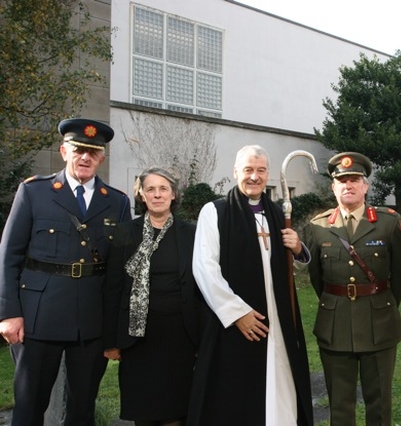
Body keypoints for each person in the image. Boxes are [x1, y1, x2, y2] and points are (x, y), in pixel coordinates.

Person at [0, 118, 131, 425]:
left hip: (91, 319)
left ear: (101, 158)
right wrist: (8, 313)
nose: (85, 157)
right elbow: (9, 254)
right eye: (78, 150)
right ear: (63, 151)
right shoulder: (34, 192)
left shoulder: (117, 203)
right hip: (38, 316)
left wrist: (116, 327)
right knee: (30, 404)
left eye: (93, 152)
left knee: (83, 406)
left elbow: (121, 266)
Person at [187, 145, 313, 426]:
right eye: (248, 170)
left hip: (277, 321)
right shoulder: (215, 212)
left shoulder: (278, 214)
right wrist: (237, 313)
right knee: (236, 392)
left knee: (281, 381)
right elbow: (204, 268)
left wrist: (299, 248)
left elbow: (282, 266)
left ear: (267, 174)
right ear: (235, 172)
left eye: (260, 170)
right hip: (235, 323)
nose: (254, 177)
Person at [303, 152, 401, 426]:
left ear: (365, 186)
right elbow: (317, 278)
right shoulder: (318, 227)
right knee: (339, 405)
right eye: (342, 181)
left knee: (380, 404)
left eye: (354, 180)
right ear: (333, 187)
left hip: (379, 323)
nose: (348, 185)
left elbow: (400, 274)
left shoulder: (387, 222)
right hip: (334, 325)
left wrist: (379, 301)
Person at [103, 167, 201, 426]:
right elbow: (112, 288)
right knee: (143, 414)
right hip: (138, 340)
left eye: (163, 189)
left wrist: (203, 339)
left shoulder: (191, 233)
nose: (157, 195)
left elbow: (202, 288)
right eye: (150, 189)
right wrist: (111, 341)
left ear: (173, 195)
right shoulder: (124, 233)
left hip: (180, 337)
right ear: (142, 196)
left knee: (176, 414)